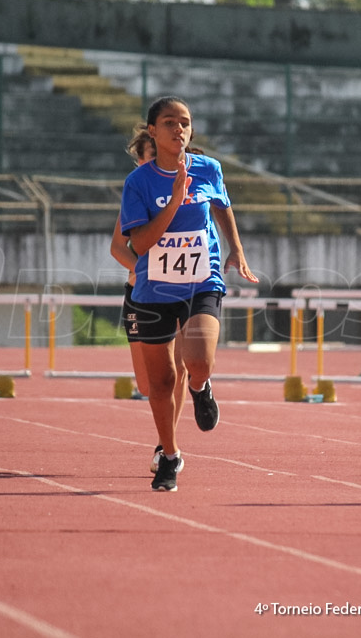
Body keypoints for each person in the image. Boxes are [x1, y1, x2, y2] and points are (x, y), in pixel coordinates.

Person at [120, 95, 259, 492]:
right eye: (169, 122)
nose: (178, 129)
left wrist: (236, 247)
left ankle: (201, 386)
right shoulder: (139, 183)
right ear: (152, 131)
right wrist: (175, 200)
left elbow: (222, 206)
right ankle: (169, 455)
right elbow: (140, 244)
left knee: (198, 362)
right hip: (153, 290)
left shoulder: (208, 169)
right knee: (160, 383)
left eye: (184, 122)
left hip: (201, 282)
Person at [110, 124, 188, 475]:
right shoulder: (135, 192)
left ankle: (167, 446)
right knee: (148, 383)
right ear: (140, 161)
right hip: (143, 293)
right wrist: (142, 267)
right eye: (150, 158)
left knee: (181, 369)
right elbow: (117, 246)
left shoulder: (185, 189)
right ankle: (166, 440)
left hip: (182, 290)